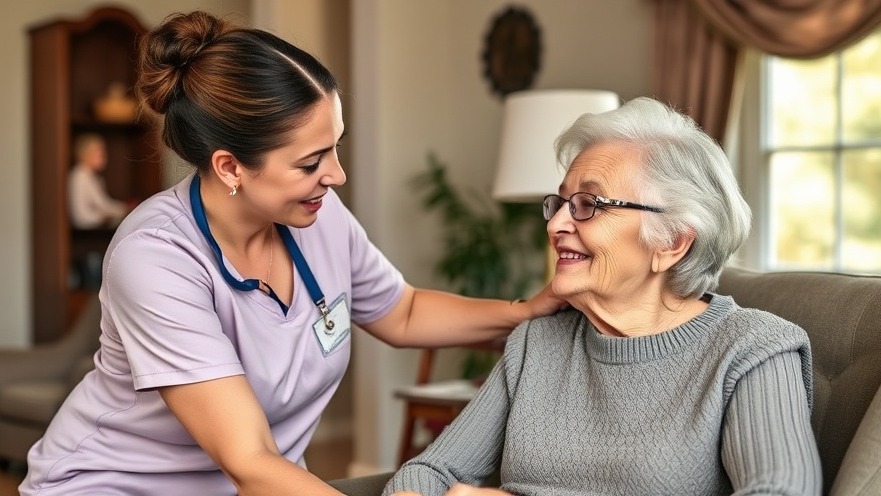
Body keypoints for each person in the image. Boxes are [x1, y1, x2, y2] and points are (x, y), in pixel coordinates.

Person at [19, 11, 565, 496]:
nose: (337, 175)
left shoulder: (318, 218)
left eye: (336, 146)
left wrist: (525, 312)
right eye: (310, 162)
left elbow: (403, 311)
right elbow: (250, 462)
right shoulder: (155, 259)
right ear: (230, 167)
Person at [383, 97, 822, 496]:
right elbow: (427, 470)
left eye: (588, 204)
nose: (555, 226)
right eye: (558, 203)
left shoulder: (751, 349)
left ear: (671, 242)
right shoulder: (536, 345)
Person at [67, 133, 129, 229]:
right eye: (100, 153)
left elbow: (103, 204)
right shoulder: (80, 175)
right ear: (86, 153)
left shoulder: (89, 176)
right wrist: (120, 211)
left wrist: (124, 209)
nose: (104, 157)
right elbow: (83, 215)